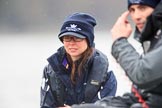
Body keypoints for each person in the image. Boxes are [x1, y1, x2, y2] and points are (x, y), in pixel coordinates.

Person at [67, 0, 162, 108]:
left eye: (142, 8)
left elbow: (142, 74)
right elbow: (138, 98)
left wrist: (120, 41)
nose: (136, 16)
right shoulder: (153, 43)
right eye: (132, 10)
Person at [40, 13, 117, 108]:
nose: (71, 43)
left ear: (89, 40)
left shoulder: (105, 72)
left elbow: (107, 106)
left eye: (77, 38)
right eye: (67, 38)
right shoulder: (51, 70)